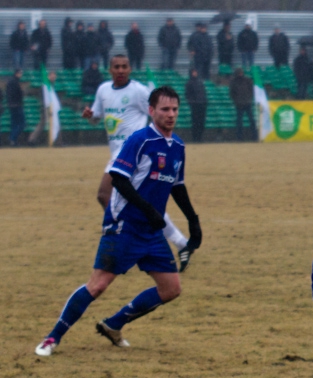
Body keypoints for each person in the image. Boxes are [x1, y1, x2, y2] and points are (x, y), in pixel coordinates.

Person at [34, 86, 202, 358]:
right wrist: (147, 209)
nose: (170, 114)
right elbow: (119, 180)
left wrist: (193, 221)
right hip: (124, 225)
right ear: (151, 111)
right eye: (164, 109)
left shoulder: (178, 146)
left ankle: (114, 324)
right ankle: (53, 337)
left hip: (150, 231)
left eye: (174, 109)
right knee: (98, 285)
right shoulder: (140, 140)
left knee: (171, 289)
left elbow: (177, 186)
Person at [83, 55, 194, 270]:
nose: (121, 70)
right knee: (131, 202)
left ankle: (130, 234)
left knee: (106, 194)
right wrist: (90, 115)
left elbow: (157, 112)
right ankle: (178, 242)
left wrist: (156, 143)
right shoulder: (103, 90)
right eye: (117, 67)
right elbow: (97, 116)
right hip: (118, 155)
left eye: (125, 66)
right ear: (110, 70)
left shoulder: (138, 91)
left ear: (130, 68)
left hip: (138, 155)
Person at [229, 68, 257, 141]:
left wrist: (249, 99)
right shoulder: (233, 82)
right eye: (239, 73)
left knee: (252, 120)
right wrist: (236, 101)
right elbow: (232, 93)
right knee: (239, 122)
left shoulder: (247, 80)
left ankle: (255, 136)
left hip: (247, 103)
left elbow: (251, 90)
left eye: (241, 72)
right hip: (239, 104)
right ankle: (239, 137)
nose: (240, 74)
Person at [185, 69, 207, 143]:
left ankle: (200, 137)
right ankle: (195, 138)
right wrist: (192, 102)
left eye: (195, 72)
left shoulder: (200, 82)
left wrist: (205, 101)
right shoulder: (189, 83)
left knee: (201, 122)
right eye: (193, 72)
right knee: (195, 122)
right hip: (195, 106)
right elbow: (188, 95)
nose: (195, 73)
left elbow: (204, 93)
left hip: (202, 105)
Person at [6, 70, 25, 147]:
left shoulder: (10, 82)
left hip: (11, 105)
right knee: (22, 123)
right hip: (17, 105)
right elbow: (17, 94)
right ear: (17, 73)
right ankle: (12, 138)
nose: (21, 75)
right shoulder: (15, 82)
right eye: (20, 73)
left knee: (14, 123)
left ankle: (13, 140)